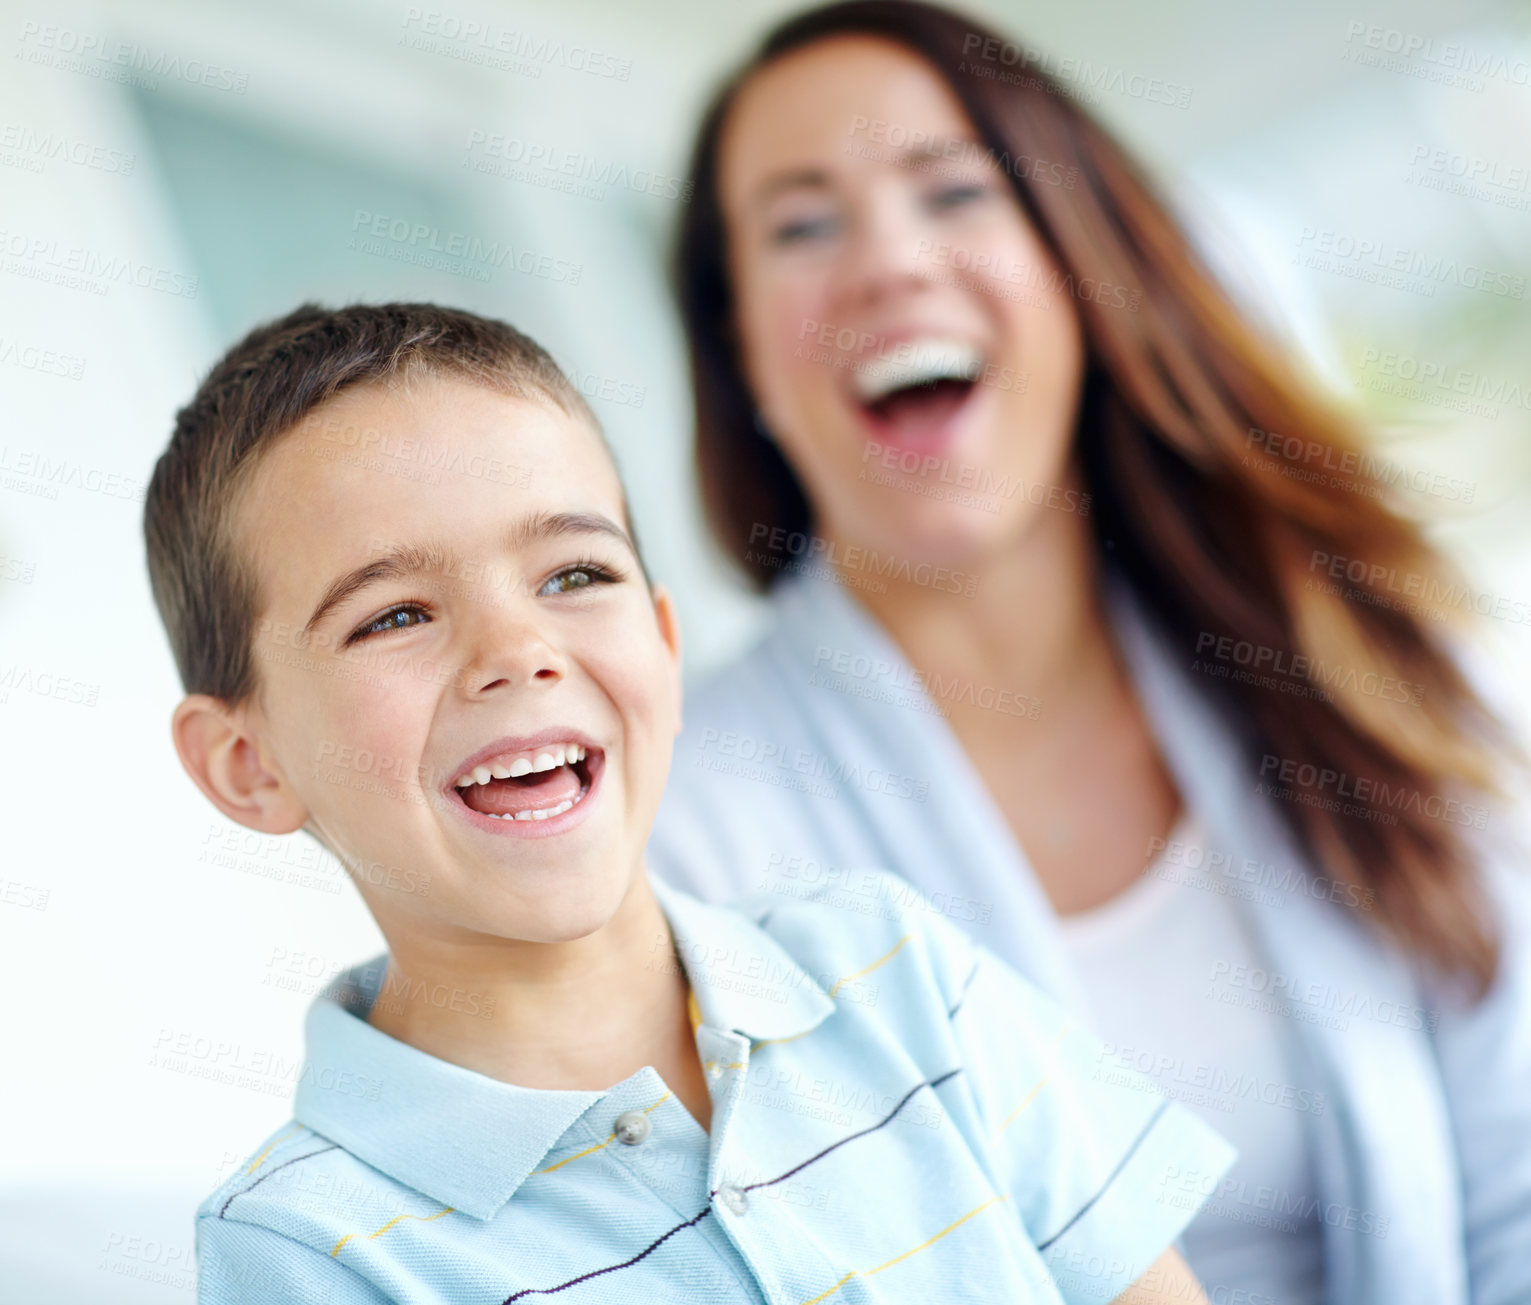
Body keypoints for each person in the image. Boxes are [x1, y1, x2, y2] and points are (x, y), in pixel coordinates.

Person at [646, 5, 1531, 1304]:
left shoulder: (1350, 652)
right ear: (738, 358)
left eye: (952, 192)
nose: (888, 263)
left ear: (1077, 269)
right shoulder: (679, 829)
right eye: (799, 224)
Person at [144, 302, 1235, 1304]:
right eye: (392, 616)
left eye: (573, 575)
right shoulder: (300, 1246)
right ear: (249, 764)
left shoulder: (893, 971)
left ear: (663, 651)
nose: (517, 651)